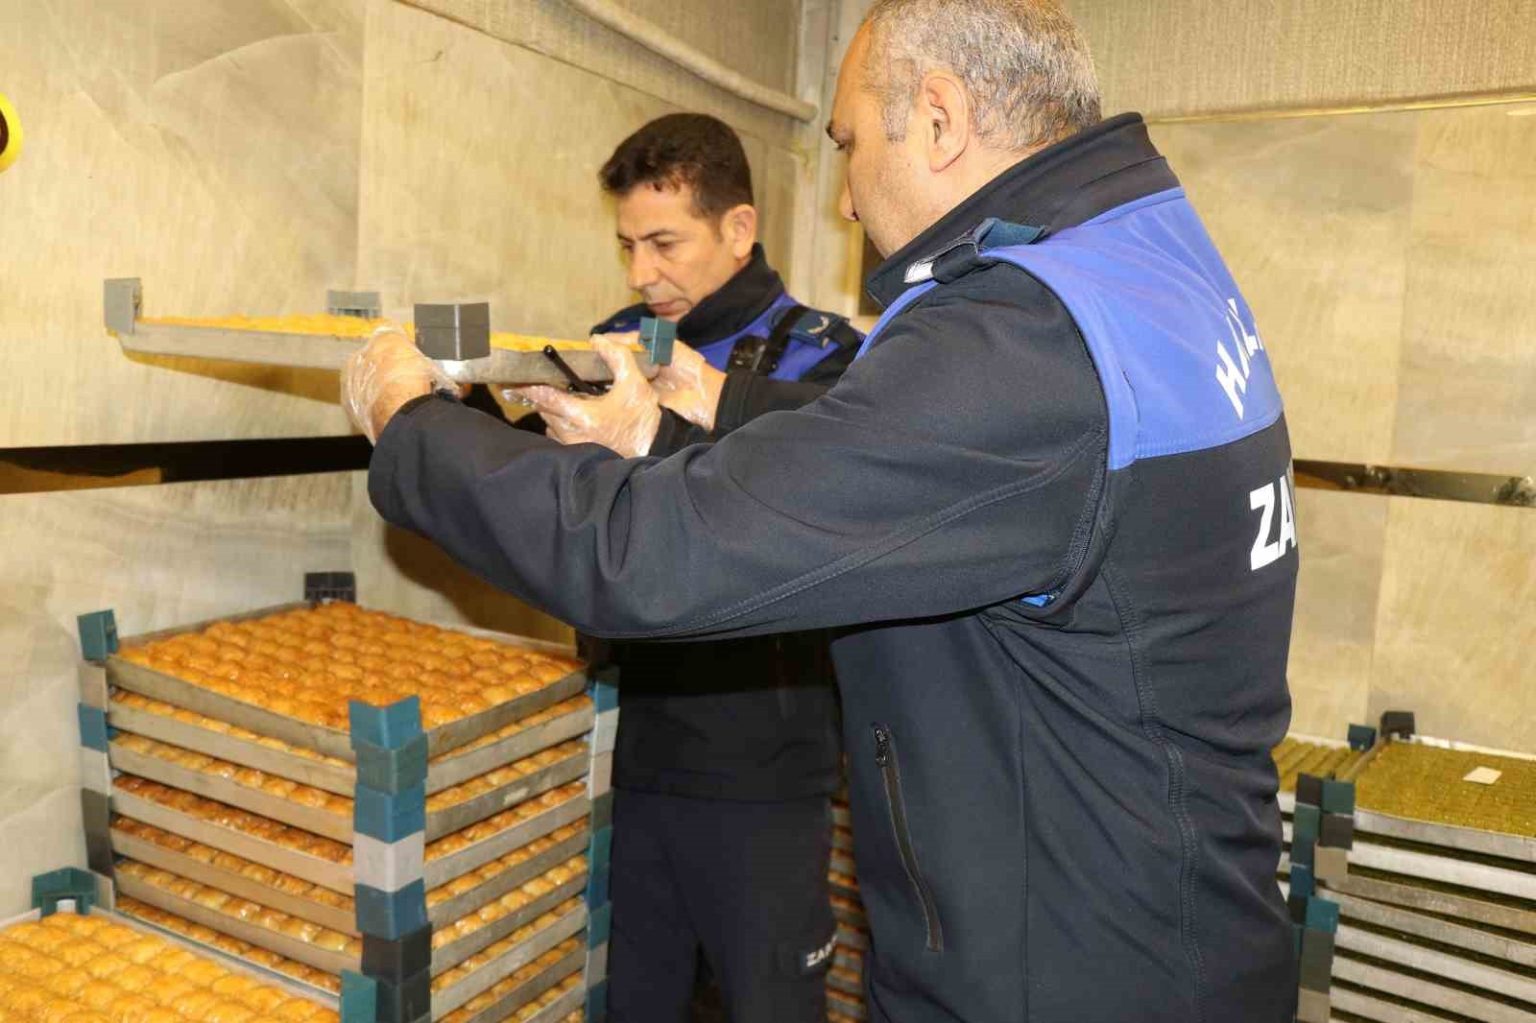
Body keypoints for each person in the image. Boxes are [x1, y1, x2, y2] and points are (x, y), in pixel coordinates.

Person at [344, 1, 1300, 1020]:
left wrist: (413, 426)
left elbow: (646, 555)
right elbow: (923, 472)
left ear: (939, 118)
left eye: (848, 143)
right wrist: (684, 420)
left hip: (1064, 972)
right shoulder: (1135, 262)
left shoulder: (1022, 334)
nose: (844, 199)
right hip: (1153, 919)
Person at [509, 113, 863, 1023]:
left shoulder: (827, 359)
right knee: (633, 1000)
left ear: (738, 229)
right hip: (630, 741)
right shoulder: (610, 344)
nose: (640, 274)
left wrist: (687, 413)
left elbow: (816, 502)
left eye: (664, 243)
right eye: (627, 245)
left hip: (763, 765)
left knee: (769, 1003)